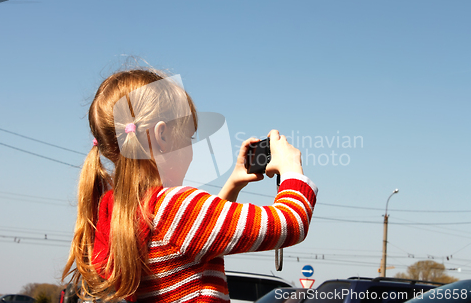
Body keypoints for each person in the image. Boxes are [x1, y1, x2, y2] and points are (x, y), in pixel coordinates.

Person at [62, 68, 318, 303]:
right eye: (189, 137)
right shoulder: (175, 209)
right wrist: (291, 169)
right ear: (162, 136)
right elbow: (291, 223)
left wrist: (233, 184)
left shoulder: (122, 216)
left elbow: (194, 240)